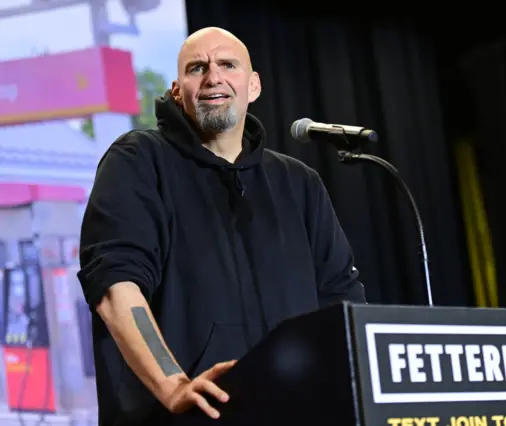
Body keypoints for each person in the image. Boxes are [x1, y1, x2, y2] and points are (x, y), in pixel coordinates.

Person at [76, 26, 366, 425]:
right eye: (197, 68)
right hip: (185, 416)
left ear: (253, 86)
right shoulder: (138, 161)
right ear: (178, 91)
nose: (213, 77)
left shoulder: (298, 182)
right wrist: (173, 384)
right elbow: (115, 285)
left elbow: (342, 300)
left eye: (227, 64)